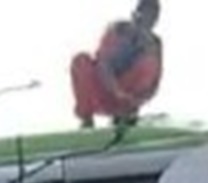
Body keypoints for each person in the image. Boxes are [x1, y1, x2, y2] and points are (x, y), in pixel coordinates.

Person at [70, 0, 163, 129]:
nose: (147, 22)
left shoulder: (154, 45)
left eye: (152, 17)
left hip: (128, 100)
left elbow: (154, 82)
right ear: (134, 15)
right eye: (143, 16)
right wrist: (117, 92)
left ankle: (125, 117)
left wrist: (134, 102)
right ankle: (87, 121)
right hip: (103, 91)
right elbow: (103, 65)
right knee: (80, 61)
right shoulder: (117, 30)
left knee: (147, 63)